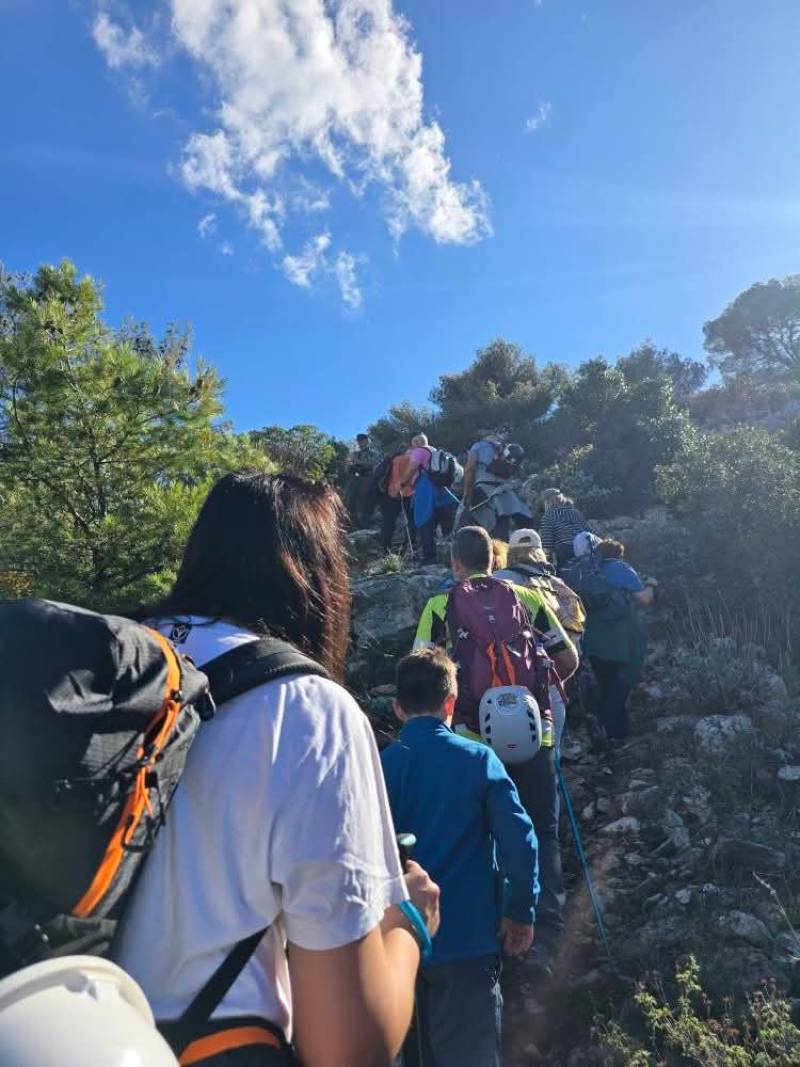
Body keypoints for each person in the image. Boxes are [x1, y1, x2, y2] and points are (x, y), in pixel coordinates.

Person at [117, 470, 440, 1067]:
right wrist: (409, 925)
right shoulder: (308, 709)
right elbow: (348, 1051)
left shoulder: (104, 672)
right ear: (320, 579)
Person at [413, 526, 578, 980]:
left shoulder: (440, 605)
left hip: (470, 743)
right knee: (541, 829)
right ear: (494, 558)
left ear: (455, 562)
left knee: (480, 833)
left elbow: (424, 676)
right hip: (534, 737)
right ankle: (541, 937)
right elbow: (568, 661)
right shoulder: (527, 599)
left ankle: (490, 937)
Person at [381, 649, 538, 1067]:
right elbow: (519, 840)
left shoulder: (379, 767)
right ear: (451, 702)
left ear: (397, 707)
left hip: (395, 944)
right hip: (468, 941)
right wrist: (520, 910)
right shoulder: (478, 759)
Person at [493, 529, 586, 751]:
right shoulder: (559, 585)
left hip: (509, 683)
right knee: (548, 756)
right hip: (554, 680)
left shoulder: (498, 582)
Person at [579, 538, 654, 744]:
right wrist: (651, 584)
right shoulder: (620, 568)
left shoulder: (588, 574)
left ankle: (617, 733)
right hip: (620, 641)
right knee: (620, 686)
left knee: (607, 685)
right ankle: (603, 725)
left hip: (593, 641)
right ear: (619, 554)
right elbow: (644, 598)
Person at [461, 434, 533, 541]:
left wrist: (466, 493)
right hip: (505, 494)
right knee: (502, 530)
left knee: (466, 526)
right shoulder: (503, 448)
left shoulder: (478, 446)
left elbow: (469, 469)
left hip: (483, 491)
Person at [404, 434, 458, 564]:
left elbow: (412, 467)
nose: (415, 443)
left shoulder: (418, 451)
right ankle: (455, 556)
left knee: (424, 521)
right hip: (441, 490)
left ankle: (430, 557)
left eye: (416, 440)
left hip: (425, 488)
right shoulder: (434, 451)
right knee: (448, 524)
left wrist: (403, 482)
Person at [379, 446, 418, 554]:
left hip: (392, 493)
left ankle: (385, 549)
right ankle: (410, 546)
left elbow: (393, 477)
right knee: (411, 520)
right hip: (409, 492)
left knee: (388, 521)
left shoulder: (393, 460)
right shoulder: (411, 459)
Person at [539, 489, 590, 568]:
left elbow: (547, 541)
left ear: (547, 502)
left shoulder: (549, 515)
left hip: (566, 550)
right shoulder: (575, 512)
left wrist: (546, 561)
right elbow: (588, 530)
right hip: (584, 547)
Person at [345, 433, 382, 528]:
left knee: (364, 504)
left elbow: (374, 465)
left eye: (362, 440)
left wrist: (357, 461)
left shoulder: (374, 453)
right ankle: (353, 525)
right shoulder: (355, 453)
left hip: (368, 479)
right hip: (355, 479)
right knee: (350, 502)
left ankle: (367, 525)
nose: (360, 443)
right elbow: (347, 469)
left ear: (367, 441)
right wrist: (349, 464)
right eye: (359, 441)